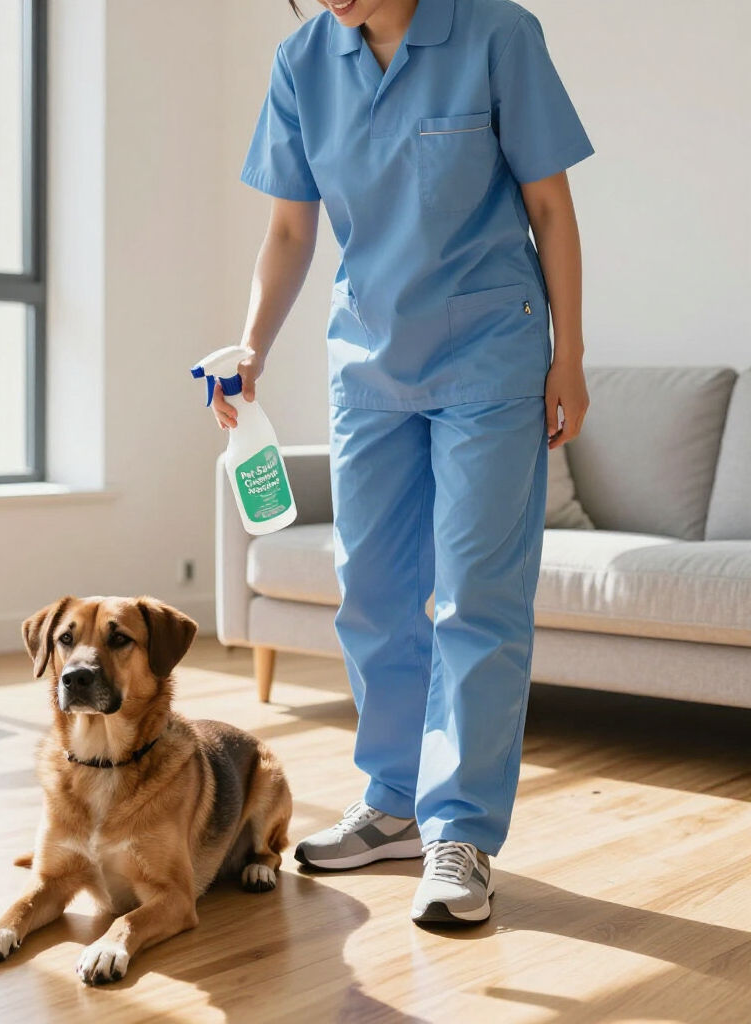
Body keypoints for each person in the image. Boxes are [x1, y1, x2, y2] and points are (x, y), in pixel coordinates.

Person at [212, 0, 593, 926]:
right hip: (369, 364)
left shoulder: (497, 33)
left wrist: (568, 356)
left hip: (492, 358)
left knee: (475, 597)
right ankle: (390, 804)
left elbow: (549, 205)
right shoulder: (304, 60)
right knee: (372, 593)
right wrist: (252, 344)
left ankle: (459, 828)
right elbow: (292, 230)